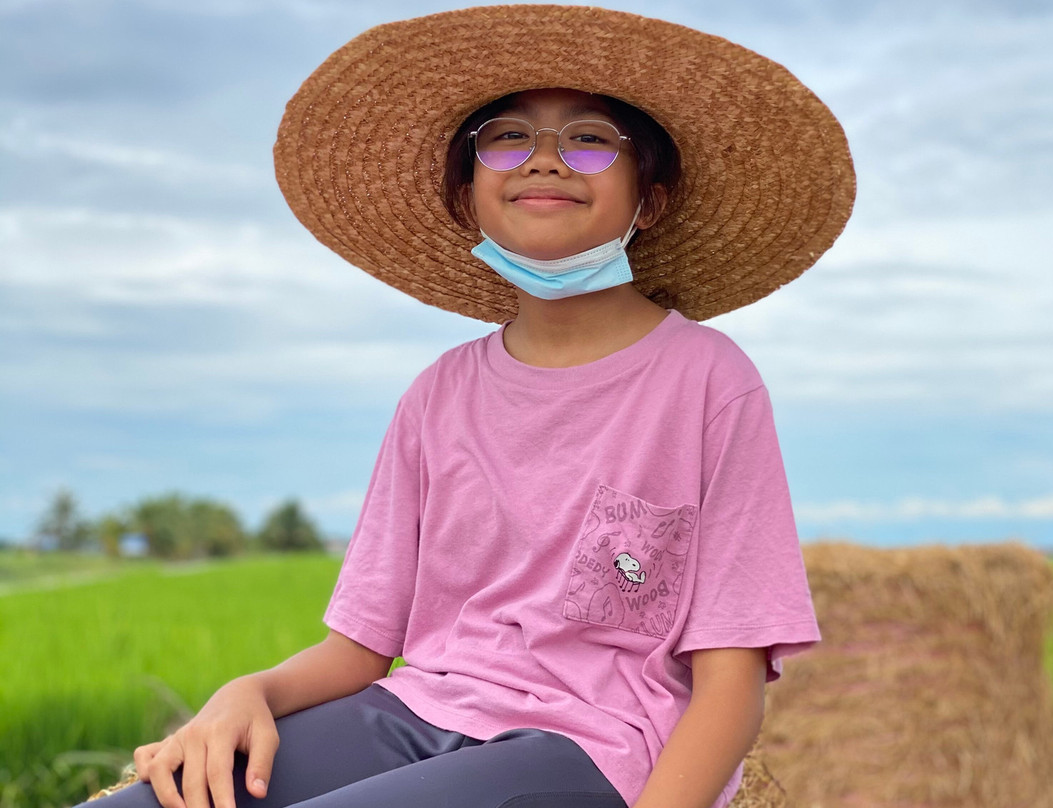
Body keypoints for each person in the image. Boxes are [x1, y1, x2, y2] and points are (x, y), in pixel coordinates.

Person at [78, 5, 854, 808]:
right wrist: (248, 691)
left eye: (589, 139)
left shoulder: (708, 383)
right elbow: (359, 650)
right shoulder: (437, 394)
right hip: (417, 711)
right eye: (507, 138)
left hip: (592, 743)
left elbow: (729, 683)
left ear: (648, 201)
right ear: (466, 197)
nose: (545, 160)